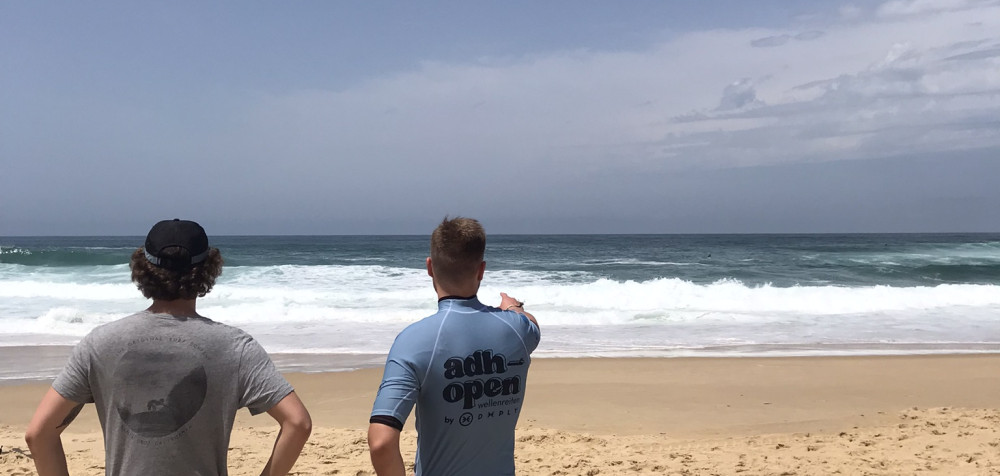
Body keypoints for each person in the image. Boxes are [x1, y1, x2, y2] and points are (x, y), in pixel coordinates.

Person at [25, 219, 311, 476]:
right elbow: (298, 423)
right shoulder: (236, 348)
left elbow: (39, 434)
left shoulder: (100, 344)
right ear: (208, 269)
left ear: (142, 266)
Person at [368, 217, 540, 476]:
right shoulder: (517, 331)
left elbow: (381, 442)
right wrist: (513, 306)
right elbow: (532, 325)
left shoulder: (414, 342)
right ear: (481, 270)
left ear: (429, 267)